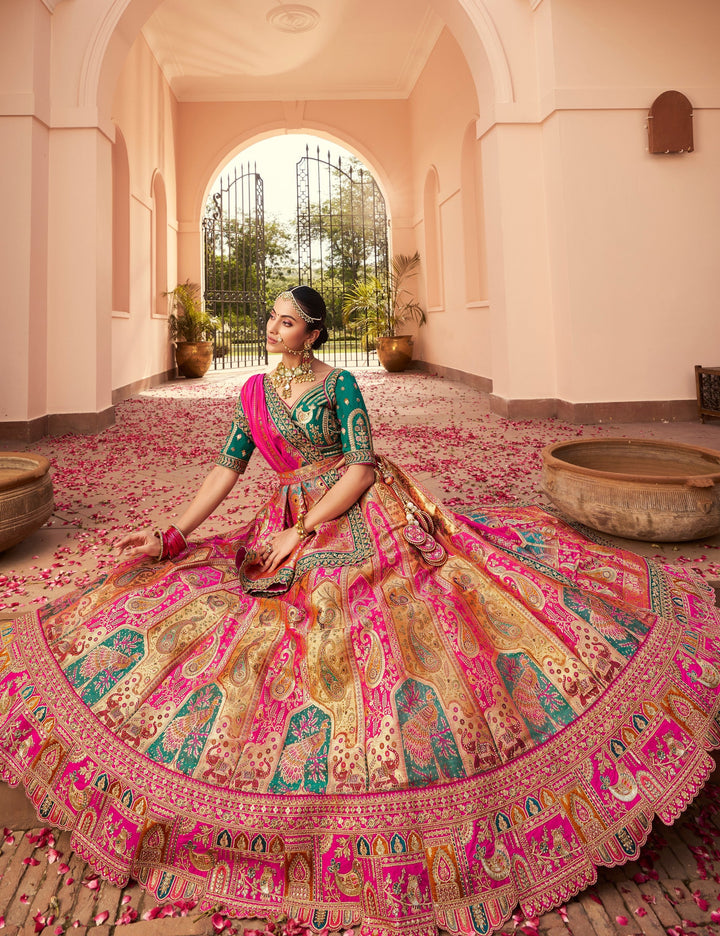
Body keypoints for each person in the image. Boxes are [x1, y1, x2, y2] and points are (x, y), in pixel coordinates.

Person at [1, 285, 719, 936]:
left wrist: (304, 529)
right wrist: (175, 533)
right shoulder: (253, 393)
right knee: (216, 618)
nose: (272, 327)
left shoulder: (340, 384)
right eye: (271, 319)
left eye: (286, 321)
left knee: (389, 614)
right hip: (281, 517)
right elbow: (228, 468)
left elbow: (362, 466)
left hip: (351, 513)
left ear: (311, 333)